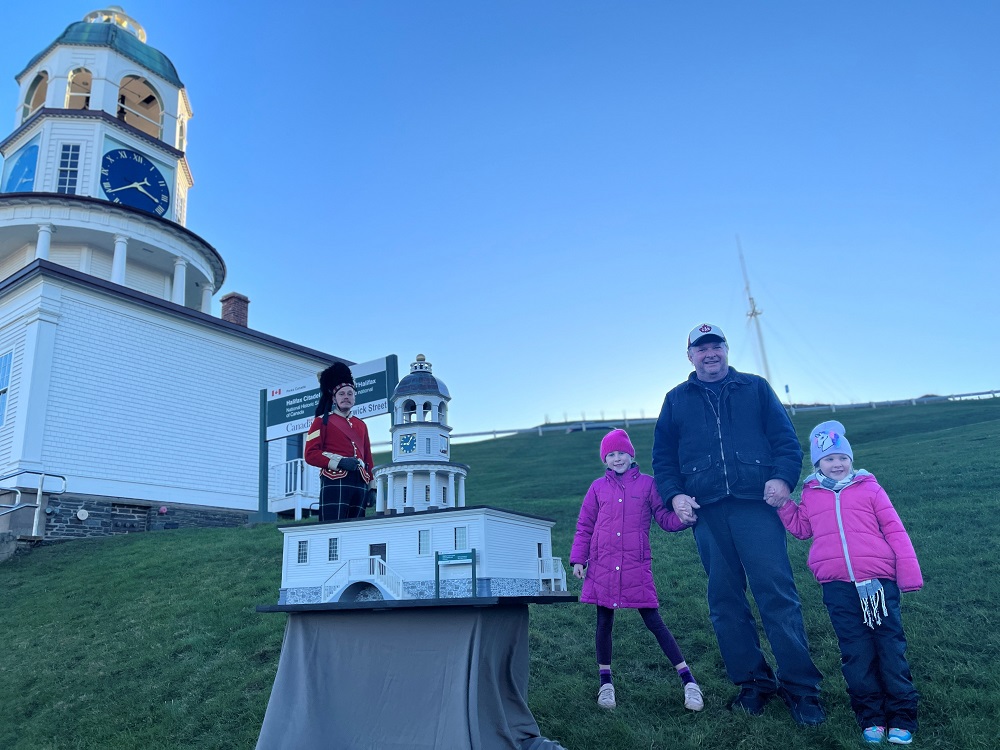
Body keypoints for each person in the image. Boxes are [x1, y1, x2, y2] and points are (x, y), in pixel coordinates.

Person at [651, 323, 825, 725]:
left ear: (726, 350)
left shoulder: (756, 388)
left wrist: (782, 478)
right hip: (708, 512)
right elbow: (664, 458)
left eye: (716, 346)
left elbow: (785, 441)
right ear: (689, 356)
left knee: (777, 597)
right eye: (701, 348)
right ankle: (753, 685)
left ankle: (802, 690)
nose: (709, 353)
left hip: (756, 507)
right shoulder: (675, 400)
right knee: (725, 604)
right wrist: (675, 494)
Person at [777, 421, 922, 745]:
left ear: (851, 459)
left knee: (890, 648)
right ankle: (870, 716)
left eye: (842, 457)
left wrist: (908, 574)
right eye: (829, 459)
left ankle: (901, 715)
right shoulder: (811, 494)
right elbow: (802, 529)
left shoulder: (870, 488)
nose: (837, 464)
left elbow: (895, 530)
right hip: (838, 587)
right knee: (856, 653)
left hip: (879, 584)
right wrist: (784, 505)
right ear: (818, 464)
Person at [570, 429, 704, 713]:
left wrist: (684, 518)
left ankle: (688, 681)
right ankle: (606, 684)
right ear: (605, 460)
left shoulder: (648, 485)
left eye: (622, 453)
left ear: (631, 455)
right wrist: (578, 560)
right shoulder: (597, 488)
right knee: (603, 622)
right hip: (602, 565)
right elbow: (585, 526)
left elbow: (665, 519)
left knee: (655, 622)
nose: (617, 458)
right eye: (611, 454)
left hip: (635, 565)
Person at [304, 362, 376, 522]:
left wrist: (372, 487)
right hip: (335, 479)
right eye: (342, 394)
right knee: (332, 527)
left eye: (350, 394)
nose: (346, 397)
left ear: (355, 397)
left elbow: (368, 458)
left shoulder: (361, 424)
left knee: (356, 531)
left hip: (360, 482)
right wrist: (340, 462)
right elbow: (310, 454)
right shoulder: (321, 421)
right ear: (334, 398)